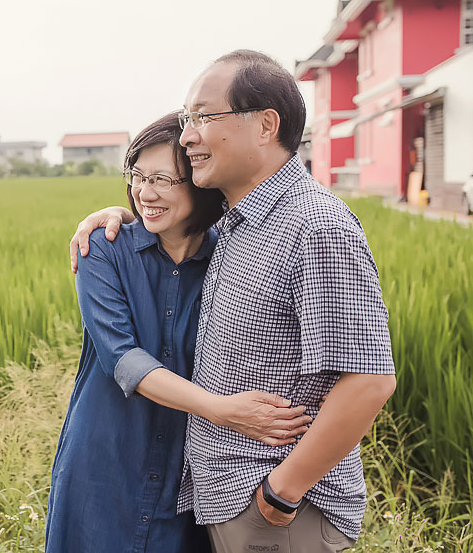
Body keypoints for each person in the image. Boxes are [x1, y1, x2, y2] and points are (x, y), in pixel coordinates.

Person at [69, 50, 396, 553]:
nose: (187, 135)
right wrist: (128, 212)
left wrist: (281, 492)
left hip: (278, 512)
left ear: (265, 125)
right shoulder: (235, 226)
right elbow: (174, 220)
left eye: (203, 116)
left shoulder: (316, 227)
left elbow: (369, 380)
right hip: (225, 505)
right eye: (185, 119)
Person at [45, 112, 313, 553]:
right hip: (104, 462)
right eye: (138, 175)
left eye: (164, 181)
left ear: (200, 184)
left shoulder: (229, 257)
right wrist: (220, 409)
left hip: (188, 476)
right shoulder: (103, 251)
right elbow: (122, 358)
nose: (144, 193)